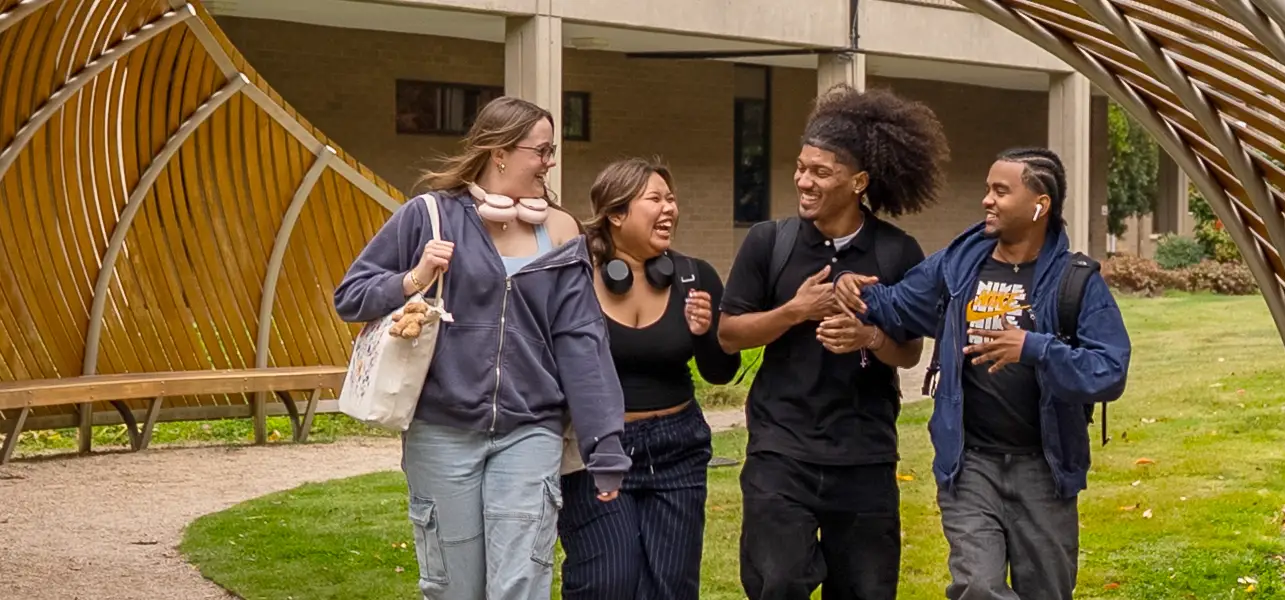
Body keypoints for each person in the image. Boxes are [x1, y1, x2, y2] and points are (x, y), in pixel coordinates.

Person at [333, 96, 628, 600]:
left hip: (531, 427)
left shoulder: (561, 231)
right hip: (441, 430)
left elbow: (582, 341)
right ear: (500, 153)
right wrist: (415, 277)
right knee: (455, 588)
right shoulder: (429, 216)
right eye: (541, 151)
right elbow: (350, 296)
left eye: (551, 151)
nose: (550, 162)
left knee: (520, 584)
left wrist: (604, 445)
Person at [834, 148, 1132, 600]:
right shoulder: (958, 266)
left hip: (1043, 468)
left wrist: (1033, 348)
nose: (987, 200)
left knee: (1047, 592)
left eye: (1001, 191)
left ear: (1040, 205)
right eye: (988, 189)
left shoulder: (1075, 281)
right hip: (970, 465)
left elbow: (1109, 370)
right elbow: (897, 306)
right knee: (976, 585)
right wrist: (852, 288)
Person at [717, 84, 950, 600]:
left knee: (866, 591)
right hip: (781, 451)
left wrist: (869, 336)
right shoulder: (769, 242)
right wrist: (795, 311)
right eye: (801, 168)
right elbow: (729, 334)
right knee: (778, 583)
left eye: (820, 172)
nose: (804, 181)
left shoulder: (896, 252)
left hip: (864, 456)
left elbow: (909, 350)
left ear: (859, 182)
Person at [557, 158, 739, 600]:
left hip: (678, 448)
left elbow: (720, 373)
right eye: (655, 199)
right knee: (606, 580)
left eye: (671, 199)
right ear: (616, 214)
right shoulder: (575, 278)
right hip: (599, 449)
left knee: (670, 587)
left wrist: (705, 333)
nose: (669, 209)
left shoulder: (694, 276)